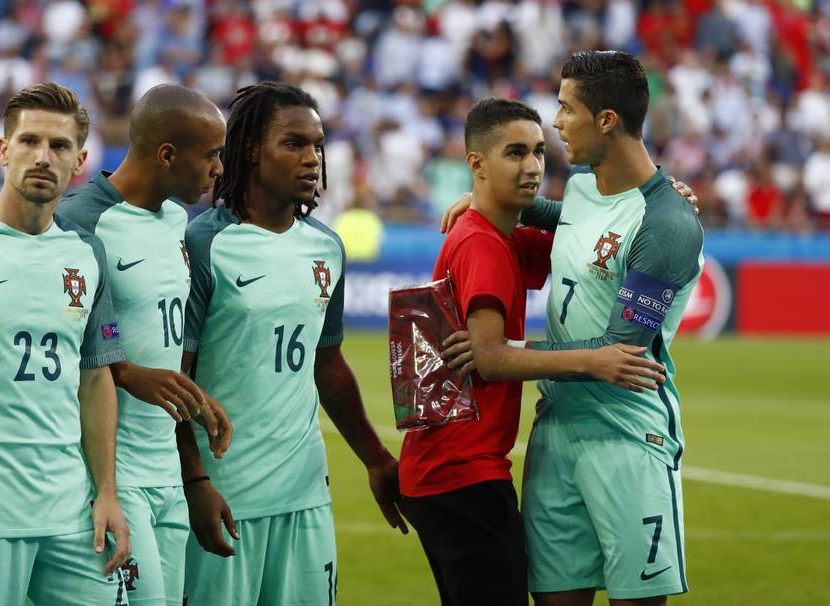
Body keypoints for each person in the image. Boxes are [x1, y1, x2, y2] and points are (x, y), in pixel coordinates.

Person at [399, 97, 669, 606]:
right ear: (476, 163)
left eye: (540, 152)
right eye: (515, 153)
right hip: (462, 472)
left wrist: (662, 199)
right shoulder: (481, 243)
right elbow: (492, 357)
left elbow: (599, 238)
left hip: (448, 468)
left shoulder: (502, 237)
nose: (532, 167)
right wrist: (594, 360)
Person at [176, 81, 406, 606]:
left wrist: (375, 459)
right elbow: (176, 378)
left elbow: (328, 365)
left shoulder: (326, 247)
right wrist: (194, 482)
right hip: (225, 493)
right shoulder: (203, 244)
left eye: (318, 145)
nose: (313, 159)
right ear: (252, 149)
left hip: (305, 493)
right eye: (295, 144)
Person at [0, 82, 130, 604]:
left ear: (81, 161)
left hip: (73, 517)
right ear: (4, 150)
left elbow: (95, 380)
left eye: (60, 146)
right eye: (28, 141)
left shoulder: (85, 252)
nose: (43, 156)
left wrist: (108, 492)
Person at [57, 84, 233, 605]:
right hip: (111, 472)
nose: (218, 169)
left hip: (166, 474)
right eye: (211, 156)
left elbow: (159, 334)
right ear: (167, 155)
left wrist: (191, 398)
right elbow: (59, 342)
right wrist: (128, 373)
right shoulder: (82, 221)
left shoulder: (178, 219)